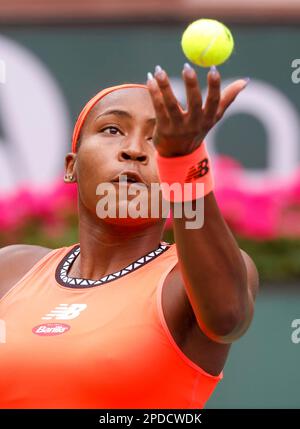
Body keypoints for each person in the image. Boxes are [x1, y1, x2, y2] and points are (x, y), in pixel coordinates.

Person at [0, 63, 258, 409]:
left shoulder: (182, 283)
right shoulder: (12, 268)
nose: (134, 150)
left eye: (157, 139)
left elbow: (228, 319)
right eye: (111, 130)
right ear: (71, 166)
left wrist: (184, 161)